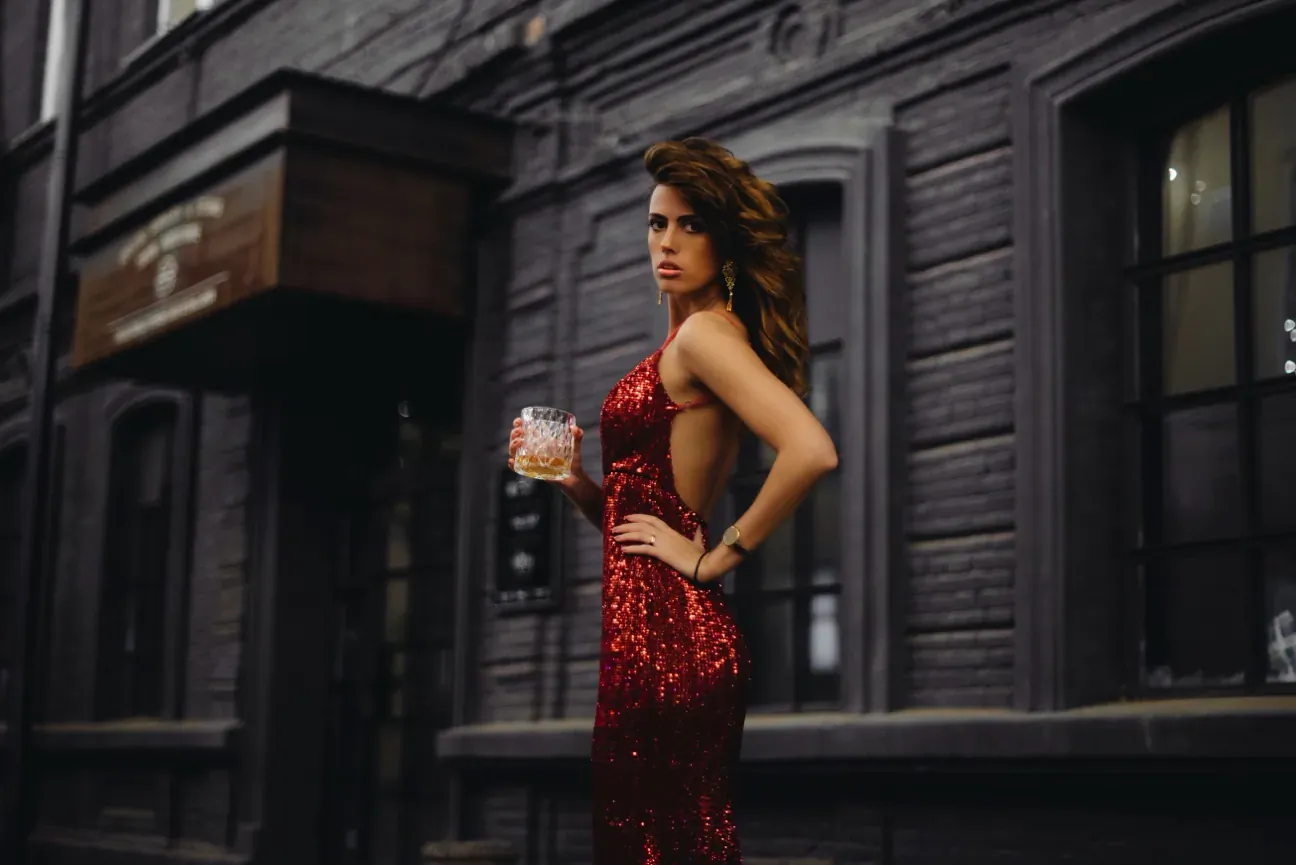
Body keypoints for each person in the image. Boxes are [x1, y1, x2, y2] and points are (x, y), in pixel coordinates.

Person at [507, 137, 838, 864]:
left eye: (690, 224)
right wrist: (575, 484)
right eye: (657, 223)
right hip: (646, 636)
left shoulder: (704, 340)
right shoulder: (685, 343)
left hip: (672, 640)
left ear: (722, 242)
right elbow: (642, 523)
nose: (667, 240)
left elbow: (812, 449)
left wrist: (713, 557)